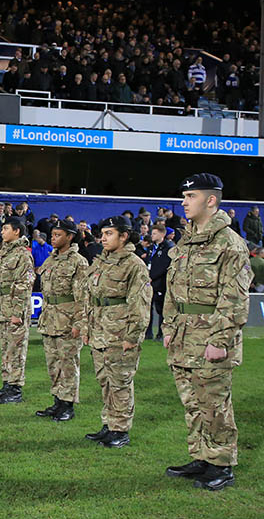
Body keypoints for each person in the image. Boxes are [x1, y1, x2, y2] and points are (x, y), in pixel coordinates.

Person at [163, 173, 250, 491]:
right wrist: (169, 327)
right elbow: (173, 291)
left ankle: (221, 464)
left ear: (211, 200)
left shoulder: (230, 243)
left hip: (210, 338)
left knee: (214, 405)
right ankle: (202, 456)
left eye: (191, 196)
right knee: (192, 403)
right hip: (184, 337)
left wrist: (220, 340)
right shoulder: (186, 241)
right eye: (184, 196)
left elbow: (235, 297)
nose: (184, 202)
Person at [82, 216, 152, 449]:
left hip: (120, 333)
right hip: (100, 330)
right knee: (105, 381)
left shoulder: (133, 264)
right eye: (102, 233)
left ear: (124, 236)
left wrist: (133, 337)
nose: (102, 238)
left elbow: (140, 304)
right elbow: (90, 297)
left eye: (109, 233)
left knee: (120, 382)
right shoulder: (101, 261)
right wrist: (86, 327)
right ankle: (108, 423)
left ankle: (120, 429)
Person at [35, 219, 88, 422]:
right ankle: (57, 400)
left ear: (70, 237)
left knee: (68, 363)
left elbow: (83, 297)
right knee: (53, 363)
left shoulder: (78, 262)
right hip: (49, 318)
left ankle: (68, 405)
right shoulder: (50, 260)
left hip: (67, 319)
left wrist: (79, 323)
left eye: (58, 235)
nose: (53, 238)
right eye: (53, 234)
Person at [0, 217, 35, 404]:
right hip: (2, 306)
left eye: (6, 228)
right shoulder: (4, 253)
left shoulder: (22, 255)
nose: (2, 232)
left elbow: (24, 284)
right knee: (6, 348)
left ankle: (15, 388)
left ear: (17, 231)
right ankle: (7, 383)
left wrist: (17, 312)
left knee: (16, 349)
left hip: (15, 309)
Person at [146, 223, 173, 340]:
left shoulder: (168, 247)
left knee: (161, 309)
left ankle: (161, 333)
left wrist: (153, 276)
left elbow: (164, 265)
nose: (152, 235)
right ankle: (148, 333)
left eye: (155, 233)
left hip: (160, 283)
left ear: (162, 234)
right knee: (148, 308)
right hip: (150, 282)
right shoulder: (152, 247)